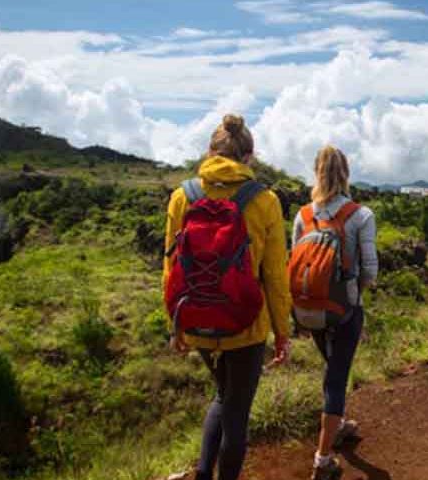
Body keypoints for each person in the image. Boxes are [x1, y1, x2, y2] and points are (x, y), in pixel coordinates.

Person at [162, 114, 292, 480]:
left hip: (197, 321)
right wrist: (282, 332)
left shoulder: (181, 197)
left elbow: (170, 268)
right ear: (248, 158)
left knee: (222, 395)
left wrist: (175, 326)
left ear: (210, 152)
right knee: (237, 412)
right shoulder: (264, 200)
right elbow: (275, 276)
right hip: (246, 325)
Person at [292, 145, 378, 480]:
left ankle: (339, 425)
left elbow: (294, 263)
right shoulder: (361, 215)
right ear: (346, 173)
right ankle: (323, 459)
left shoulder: (303, 216)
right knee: (337, 379)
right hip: (344, 310)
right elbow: (370, 270)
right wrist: (354, 295)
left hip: (309, 309)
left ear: (316, 172)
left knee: (332, 369)